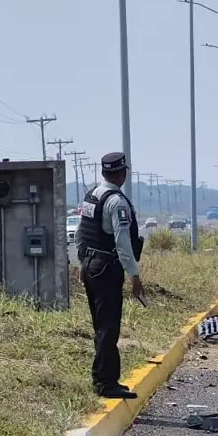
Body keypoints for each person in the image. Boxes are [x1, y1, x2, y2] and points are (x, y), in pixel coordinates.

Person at [75, 152, 145, 400]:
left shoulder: (92, 196)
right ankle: (105, 383)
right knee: (108, 326)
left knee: (101, 325)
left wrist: (83, 261)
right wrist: (135, 274)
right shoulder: (117, 202)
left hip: (92, 266)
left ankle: (105, 378)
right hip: (107, 269)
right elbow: (123, 242)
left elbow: (82, 234)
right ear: (122, 173)